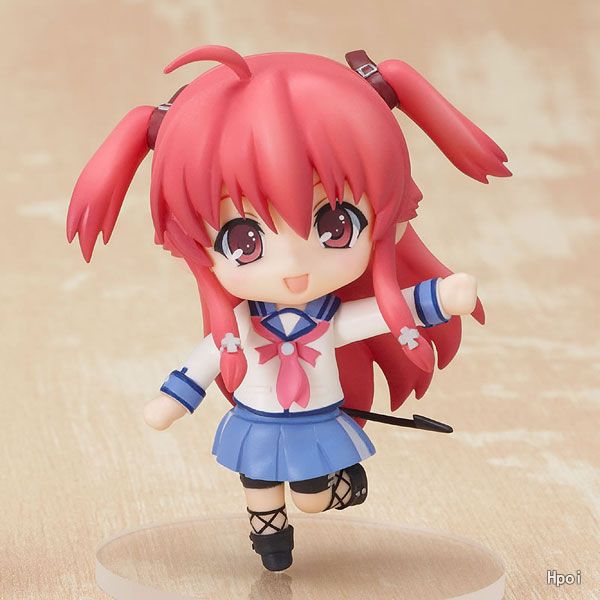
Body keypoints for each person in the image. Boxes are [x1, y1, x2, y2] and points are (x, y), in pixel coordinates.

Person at [67, 44, 510, 571]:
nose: (294, 266)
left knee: (312, 498)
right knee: (258, 483)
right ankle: (270, 540)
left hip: (314, 422)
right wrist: (172, 400)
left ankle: (340, 488)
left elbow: (374, 315)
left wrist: (439, 298)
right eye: (244, 240)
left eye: (335, 226)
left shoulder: (327, 321)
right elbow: (203, 361)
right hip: (256, 421)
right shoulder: (239, 328)